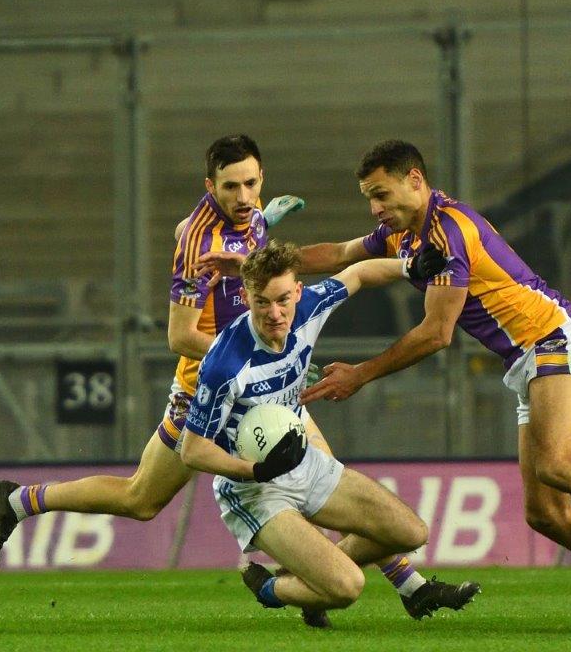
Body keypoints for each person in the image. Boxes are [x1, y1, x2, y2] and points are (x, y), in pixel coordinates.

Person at [286, 140, 571, 628]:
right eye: (370, 197)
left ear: (415, 180)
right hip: (527, 358)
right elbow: (341, 254)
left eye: (382, 195)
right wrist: (266, 262)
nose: (376, 208)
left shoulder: (450, 233)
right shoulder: (404, 234)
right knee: (546, 514)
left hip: (555, 337)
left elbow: (436, 334)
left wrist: (360, 374)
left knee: (557, 465)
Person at [0, 135, 278, 574]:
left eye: (250, 183)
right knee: (141, 499)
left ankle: (372, 581)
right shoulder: (198, 241)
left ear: (261, 177)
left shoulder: (250, 216)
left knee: (307, 466)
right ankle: (17, 500)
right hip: (207, 388)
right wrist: (254, 358)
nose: (244, 196)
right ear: (209, 187)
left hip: (251, 384)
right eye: (231, 187)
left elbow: (207, 238)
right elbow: (180, 337)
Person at [180, 239, 480, 623]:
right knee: (347, 588)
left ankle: (287, 581)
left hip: (304, 464)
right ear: (246, 296)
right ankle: (285, 587)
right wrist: (256, 471)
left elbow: (357, 273)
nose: (275, 313)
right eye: (262, 303)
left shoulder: (309, 307)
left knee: (411, 533)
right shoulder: (224, 364)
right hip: (253, 490)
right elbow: (193, 450)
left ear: (298, 292)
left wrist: (410, 268)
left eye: (283, 299)